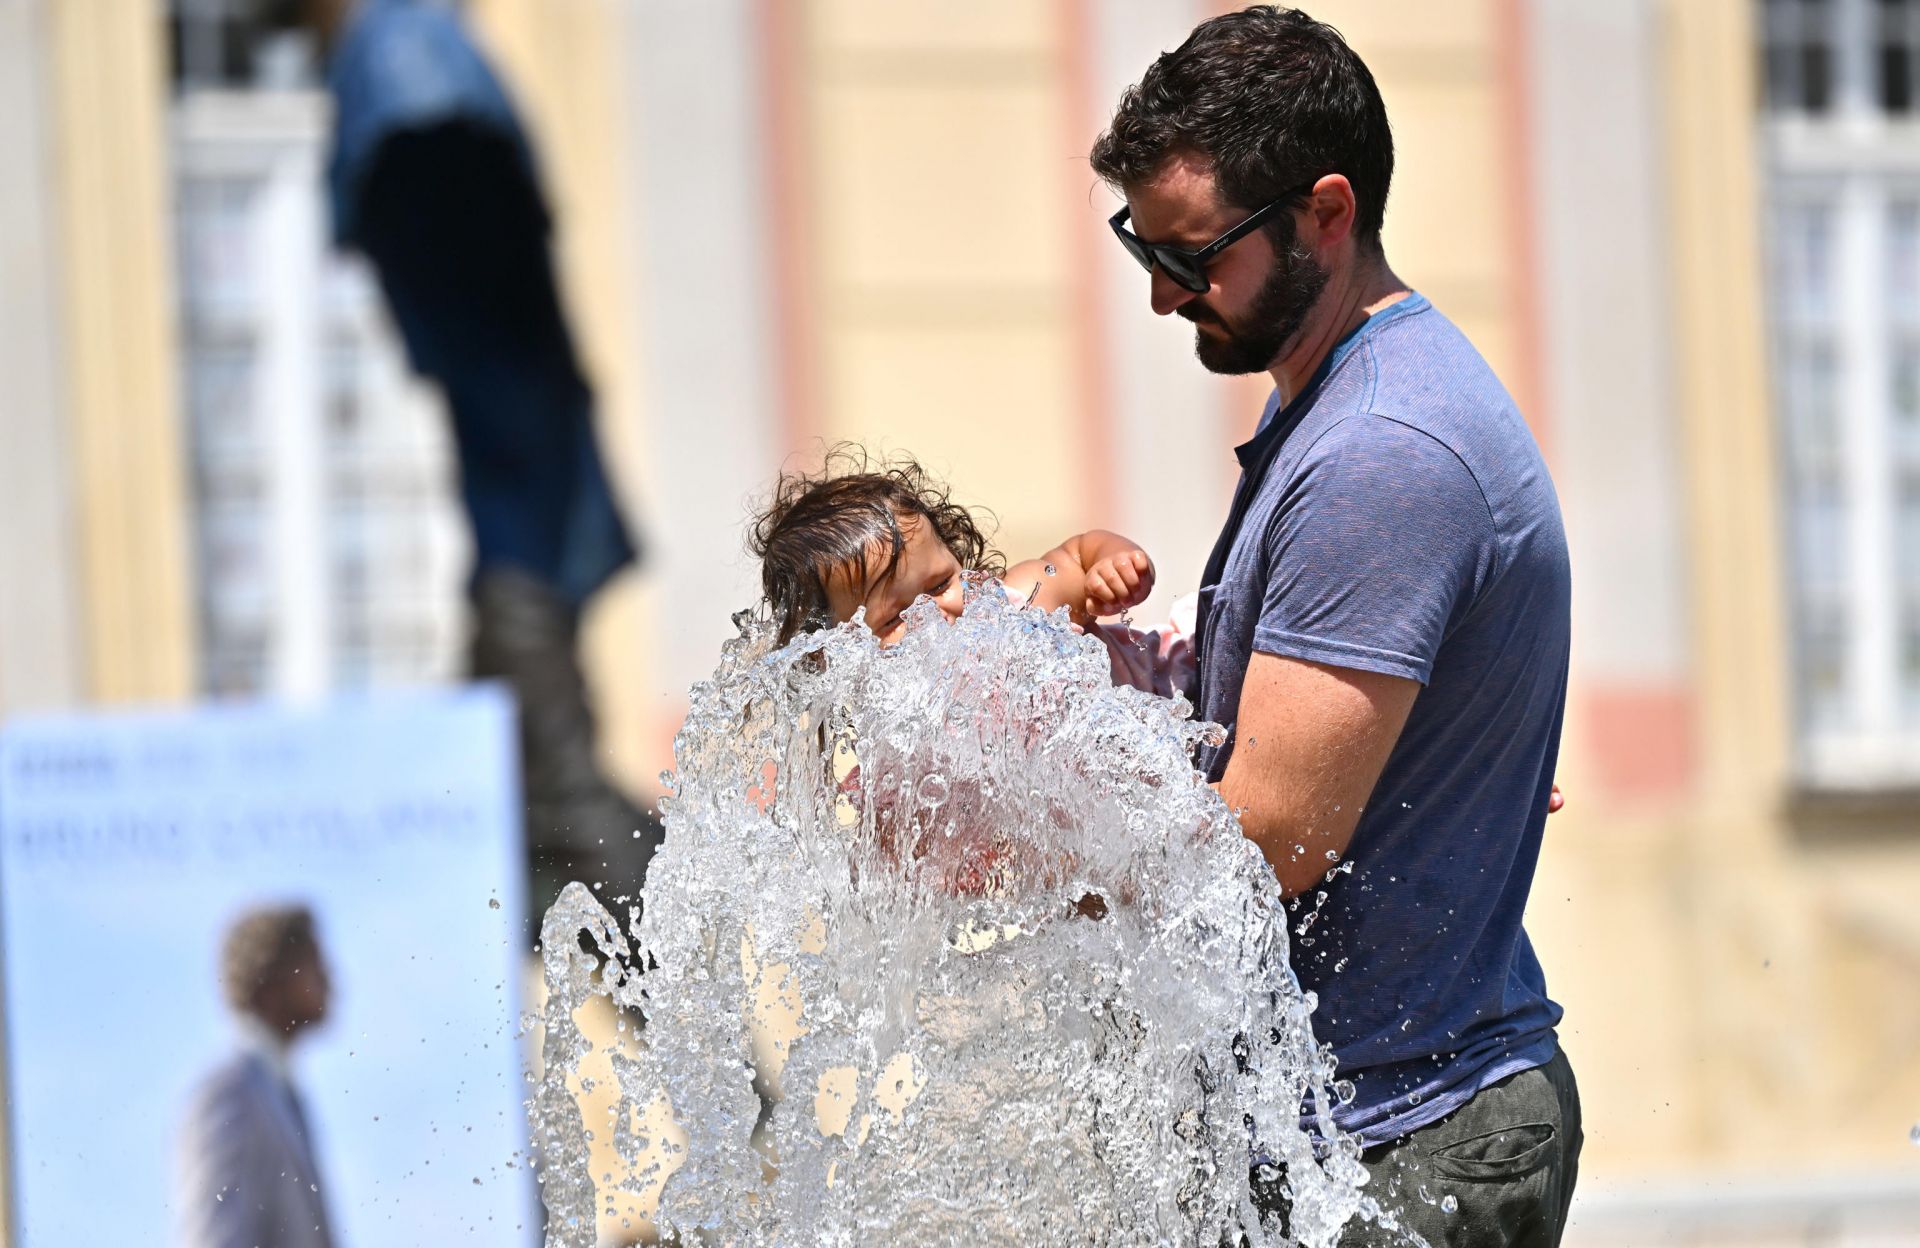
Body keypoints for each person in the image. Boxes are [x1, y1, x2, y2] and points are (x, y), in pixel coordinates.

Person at [1089, 8, 1580, 1245]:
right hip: (1360, 1121)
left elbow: (1277, 835)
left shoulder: (1381, 452)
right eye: (1140, 247)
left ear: (1325, 211)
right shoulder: (1341, 407)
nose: (1161, 293)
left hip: (1409, 1135)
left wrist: (1021, 840)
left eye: (1194, 254)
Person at [315, 0, 658, 918]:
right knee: (519, 841)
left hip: (521, 544)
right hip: (517, 540)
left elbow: (485, 293)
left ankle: (711, 1037)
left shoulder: (402, 58)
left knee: (563, 825)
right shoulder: (412, 57)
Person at [749, 448, 1156, 648]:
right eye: (894, 620)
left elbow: (1077, 554)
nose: (932, 614)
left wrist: (1113, 565)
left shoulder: (1021, 609)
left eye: (941, 584)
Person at [177, 904, 337, 1248]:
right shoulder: (229, 1095)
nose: (328, 977)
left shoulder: (283, 1097)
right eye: (312, 961)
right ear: (271, 977)